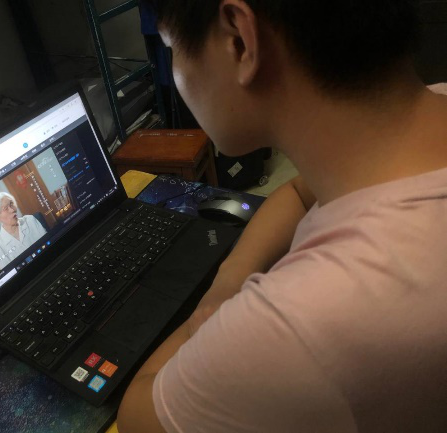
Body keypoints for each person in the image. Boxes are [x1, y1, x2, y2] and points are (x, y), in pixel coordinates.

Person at [117, 1, 447, 432]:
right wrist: (229, 280)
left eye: (170, 46)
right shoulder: (428, 112)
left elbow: (138, 416)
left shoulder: (304, 323)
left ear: (239, 41)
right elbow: (296, 192)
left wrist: (227, 326)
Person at [0, 192, 46, 269]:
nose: (12, 210)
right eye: (6, 208)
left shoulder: (30, 220)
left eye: (11, 204)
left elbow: (48, 245)